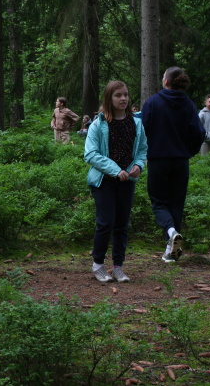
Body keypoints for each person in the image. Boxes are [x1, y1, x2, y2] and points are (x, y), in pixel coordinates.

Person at [141, 67, 205, 263]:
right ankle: (170, 250)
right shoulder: (189, 104)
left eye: (163, 77)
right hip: (180, 162)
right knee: (176, 203)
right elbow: (199, 133)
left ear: (166, 81)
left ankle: (171, 233)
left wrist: (144, 153)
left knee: (159, 202)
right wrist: (189, 151)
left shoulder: (153, 102)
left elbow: (142, 130)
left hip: (158, 160)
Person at [85, 81, 147, 283]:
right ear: (109, 98)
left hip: (127, 181)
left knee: (122, 224)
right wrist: (115, 170)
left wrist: (138, 166)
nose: (123, 99)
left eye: (126, 95)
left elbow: (142, 150)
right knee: (106, 222)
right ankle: (98, 265)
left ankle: (118, 267)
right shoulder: (99, 124)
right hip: (103, 180)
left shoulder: (136, 123)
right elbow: (90, 154)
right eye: (118, 95)